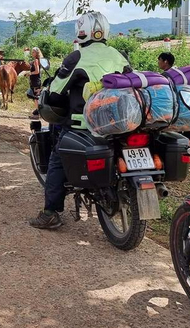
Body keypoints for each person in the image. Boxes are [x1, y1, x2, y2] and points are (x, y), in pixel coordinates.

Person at [29, 12, 131, 229]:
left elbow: (56, 93)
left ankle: (51, 213)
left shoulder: (76, 57)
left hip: (84, 124)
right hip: (119, 122)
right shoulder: (118, 55)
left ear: (80, 32)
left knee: (57, 159)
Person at [28, 47, 44, 120]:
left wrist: (30, 73)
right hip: (36, 80)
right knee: (35, 97)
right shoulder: (38, 60)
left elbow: (37, 71)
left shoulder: (36, 60)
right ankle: (38, 112)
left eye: (33, 52)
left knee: (36, 97)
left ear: (36, 53)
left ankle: (38, 114)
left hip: (35, 81)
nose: (32, 53)